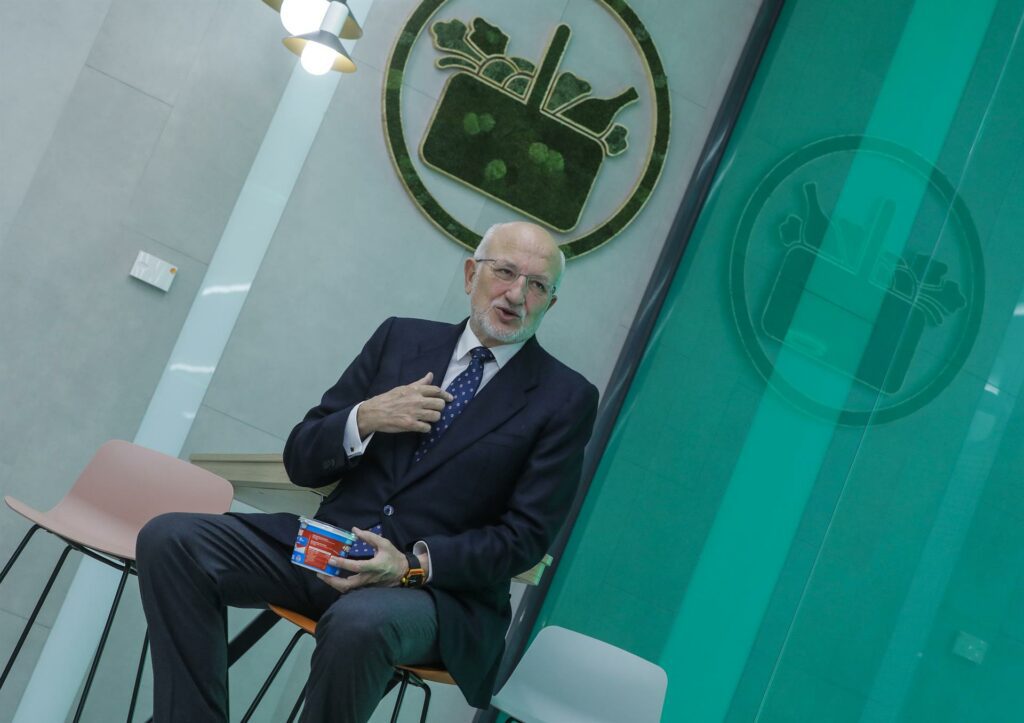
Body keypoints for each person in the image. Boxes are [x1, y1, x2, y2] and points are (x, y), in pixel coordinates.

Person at [136, 221, 599, 722]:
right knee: (172, 540)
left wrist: (412, 565)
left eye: (537, 285)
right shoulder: (400, 338)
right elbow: (301, 459)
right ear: (471, 275)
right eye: (505, 272)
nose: (516, 294)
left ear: (550, 304)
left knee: (358, 623)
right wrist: (364, 417)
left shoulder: (565, 399)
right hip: (327, 550)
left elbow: (525, 538)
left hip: (431, 595)